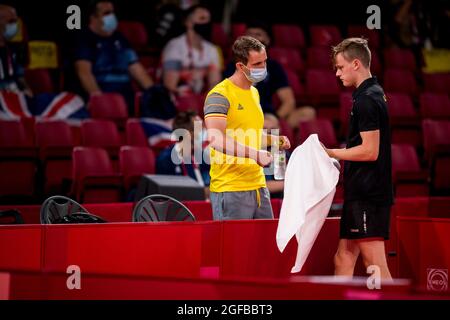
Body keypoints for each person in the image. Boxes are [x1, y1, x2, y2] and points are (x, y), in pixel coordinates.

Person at [323, 38, 394, 281]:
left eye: (340, 67)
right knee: (343, 257)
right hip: (359, 192)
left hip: (369, 195)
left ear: (356, 64)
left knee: (375, 265)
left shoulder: (367, 99)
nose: (337, 73)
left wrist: (331, 152)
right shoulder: (369, 93)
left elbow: (369, 151)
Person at [204, 35, 290, 220]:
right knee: (233, 249)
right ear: (240, 66)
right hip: (230, 188)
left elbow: (250, 134)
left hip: (258, 186)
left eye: (264, 61)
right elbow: (215, 138)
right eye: (257, 64)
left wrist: (273, 140)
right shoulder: (219, 94)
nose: (263, 68)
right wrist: (254, 154)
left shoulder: (254, 92)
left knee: (263, 247)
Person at [223, 20, 315, 128]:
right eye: (249, 34)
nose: (253, 38)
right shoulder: (233, 65)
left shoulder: (273, 66)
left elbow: (289, 101)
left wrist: (275, 118)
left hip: (267, 114)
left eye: (258, 34)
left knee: (308, 112)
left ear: (267, 40)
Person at [73, 0, 154, 114]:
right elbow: (84, 73)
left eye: (112, 13)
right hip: (104, 92)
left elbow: (137, 69)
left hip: (126, 95)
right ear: (93, 18)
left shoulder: (120, 38)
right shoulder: (84, 39)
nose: (111, 17)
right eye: (106, 13)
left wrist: (154, 93)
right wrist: (100, 100)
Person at [161, 4, 222, 96]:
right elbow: (170, 86)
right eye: (202, 18)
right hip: (178, 98)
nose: (207, 22)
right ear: (188, 22)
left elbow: (214, 84)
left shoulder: (212, 49)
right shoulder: (175, 46)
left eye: (208, 19)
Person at [156, 110, 211, 199]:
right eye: (200, 128)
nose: (205, 132)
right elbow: (168, 194)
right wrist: (200, 193)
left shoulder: (201, 156)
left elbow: (211, 182)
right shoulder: (166, 159)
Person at [0, 5, 30, 95]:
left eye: (16, 21)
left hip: (15, 95)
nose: (15, 26)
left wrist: (28, 92)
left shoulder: (14, 50)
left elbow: (20, 78)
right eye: (11, 21)